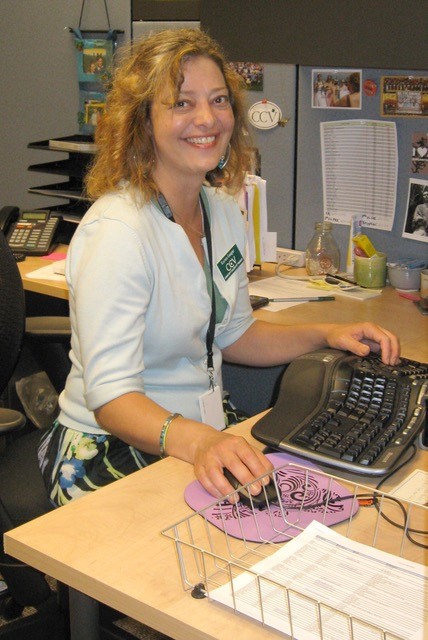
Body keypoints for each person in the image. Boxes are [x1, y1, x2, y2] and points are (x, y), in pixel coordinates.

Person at [37, 29, 400, 507]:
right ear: (143, 122)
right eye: (182, 103)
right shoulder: (118, 233)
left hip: (199, 436)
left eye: (218, 100)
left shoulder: (221, 209)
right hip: (108, 447)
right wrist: (201, 441)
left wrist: (326, 334)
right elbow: (112, 399)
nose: (207, 118)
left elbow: (233, 334)